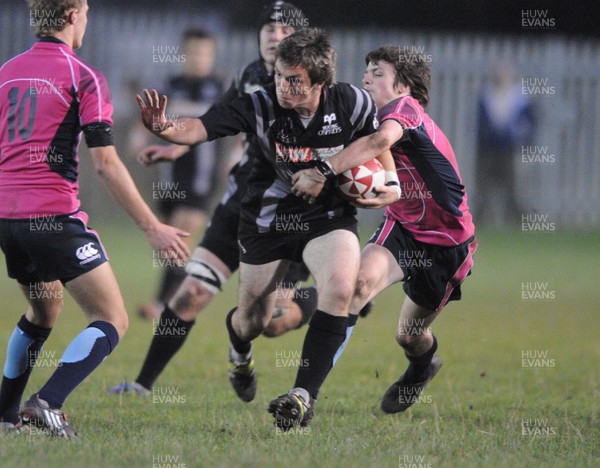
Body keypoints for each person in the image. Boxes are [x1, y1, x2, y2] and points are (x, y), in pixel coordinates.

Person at [136, 28, 399, 429]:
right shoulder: (260, 105)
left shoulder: (352, 101)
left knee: (342, 289)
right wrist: (166, 128)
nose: (282, 86)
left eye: (294, 80)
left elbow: (379, 141)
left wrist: (389, 184)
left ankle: (302, 397)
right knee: (254, 321)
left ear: (320, 83)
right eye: (278, 75)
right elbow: (202, 127)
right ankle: (239, 349)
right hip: (267, 219)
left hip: (327, 216)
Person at [108, 1, 333, 398]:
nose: (274, 35)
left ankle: (340, 297)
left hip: (293, 214)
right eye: (268, 29)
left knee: (272, 321)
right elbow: (216, 118)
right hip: (242, 204)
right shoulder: (249, 75)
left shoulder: (317, 84)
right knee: (190, 293)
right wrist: (175, 146)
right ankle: (142, 385)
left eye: (284, 30)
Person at [0, 0, 189, 438]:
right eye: (85, 11)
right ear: (73, 14)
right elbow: (105, 162)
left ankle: (6, 414)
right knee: (112, 318)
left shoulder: (6, 71)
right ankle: (46, 403)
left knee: (44, 309)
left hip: (8, 219)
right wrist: (151, 225)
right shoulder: (82, 76)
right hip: (52, 217)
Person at [292, 45, 477, 414]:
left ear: (404, 87)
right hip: (402, 229)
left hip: (446, 244)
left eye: (378, 73)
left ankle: (422, 368)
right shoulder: (364, 117)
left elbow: (379, 143)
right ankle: (305, 396)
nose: (367, 78)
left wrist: (322, 172)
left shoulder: (404, 110)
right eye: (366, 71)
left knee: (409, 335)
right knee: (355, 287)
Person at [132, 28, 225, 320]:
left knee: (179, 241)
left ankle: (162, 304)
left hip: (202, 179)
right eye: (194, 52)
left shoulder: (221, 87)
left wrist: (236, 154)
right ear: (184, 54)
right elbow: (146, 117)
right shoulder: (169, 86)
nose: (199, 58)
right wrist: (138, 135)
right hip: (169, 178)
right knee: (168, 246)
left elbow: (235, 125)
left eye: (205, 52)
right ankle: (185, 295)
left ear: (212, 55)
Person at [475, 60, 535, 226]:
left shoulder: (520, 98)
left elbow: (528, 124)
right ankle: (481, 219)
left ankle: (515, 221)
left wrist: (519, 140)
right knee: (484, 186)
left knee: (512, 187)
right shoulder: (486, 96)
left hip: (510, 149)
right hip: (487, 149)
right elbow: (480, 123)